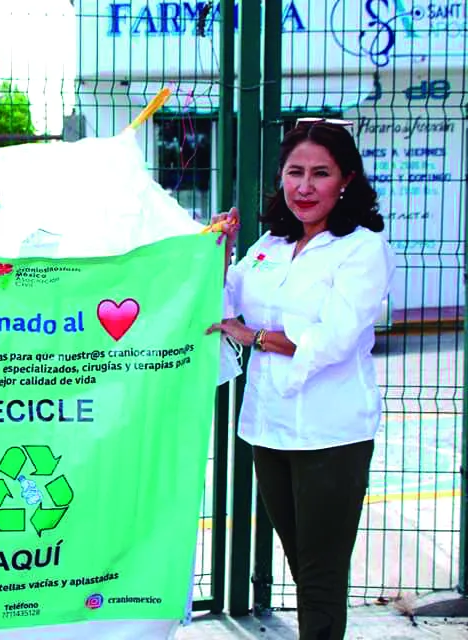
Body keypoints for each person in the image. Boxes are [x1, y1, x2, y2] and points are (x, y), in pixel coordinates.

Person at [206, 119, 395, 639]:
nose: (305, 187)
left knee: (320, 574)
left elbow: (333, 338)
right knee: (302, 562)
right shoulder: (269, 244)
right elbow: (225, 302)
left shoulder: (362, 248)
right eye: (295, 172)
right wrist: (221, 251)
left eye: (320, 173)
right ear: (281, 177)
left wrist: (258, 337)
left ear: (346, 180)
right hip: (270, 428)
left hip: (331, 432)